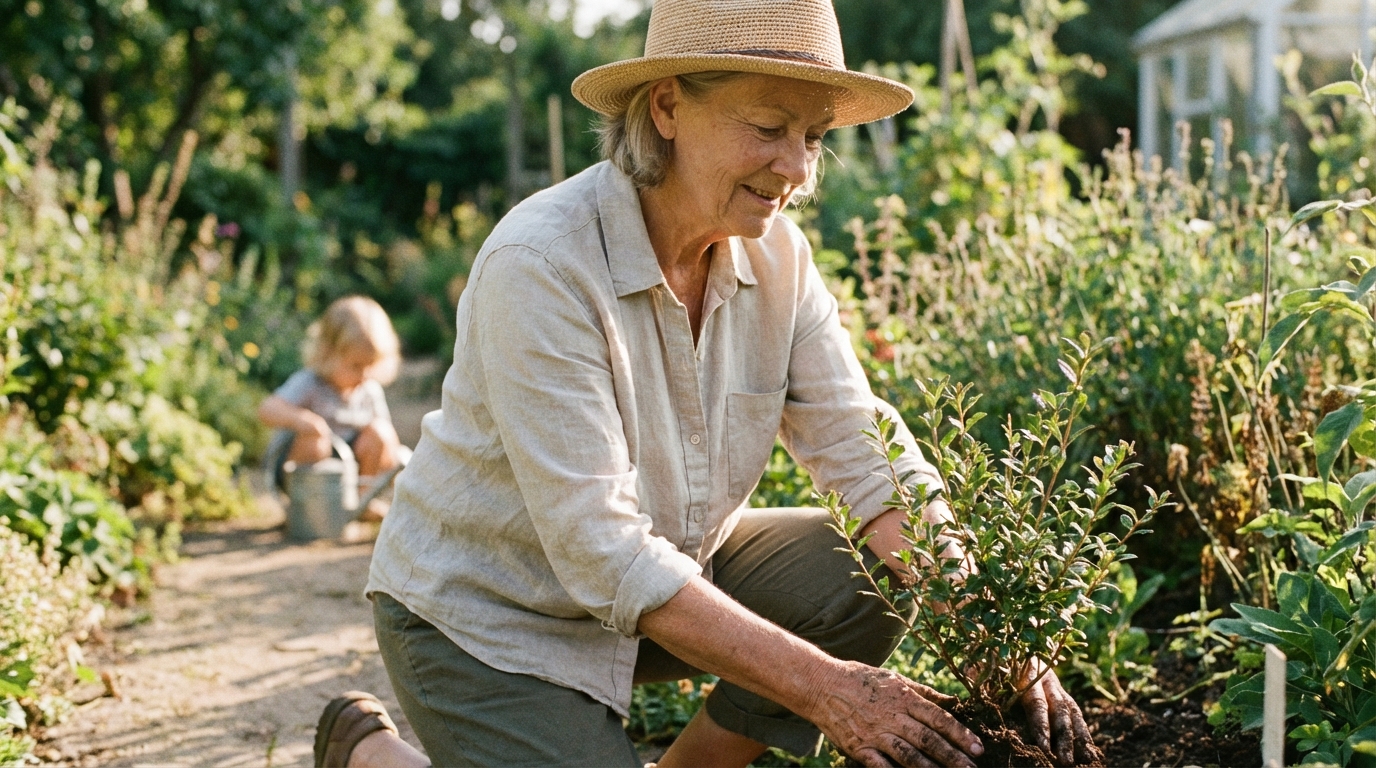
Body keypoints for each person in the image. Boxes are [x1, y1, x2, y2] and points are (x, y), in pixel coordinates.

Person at [315, 1, 1098, 766]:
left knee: (865, 575)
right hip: (490, 619)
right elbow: (601, 549)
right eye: (768, 128)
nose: (798, 169)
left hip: (660, 585)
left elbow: (867, 454)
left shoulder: (780, 260)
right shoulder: (542, 265)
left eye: (814, 137)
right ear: (666, 107)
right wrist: (833, 691)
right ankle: (370, 754)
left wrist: (994, 637)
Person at [258, 295, 403, 519]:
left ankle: (361, 502)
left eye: (370, 365)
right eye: (355, 366)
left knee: (381, 432)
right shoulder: (309, 382)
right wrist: (304, 420)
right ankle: (309, 507)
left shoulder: (369, 390)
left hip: (351, 471)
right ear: (328, 352)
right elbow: (267, 409)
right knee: (315, 440)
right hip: (303, 469)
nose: (364, 374)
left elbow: (388, 446)